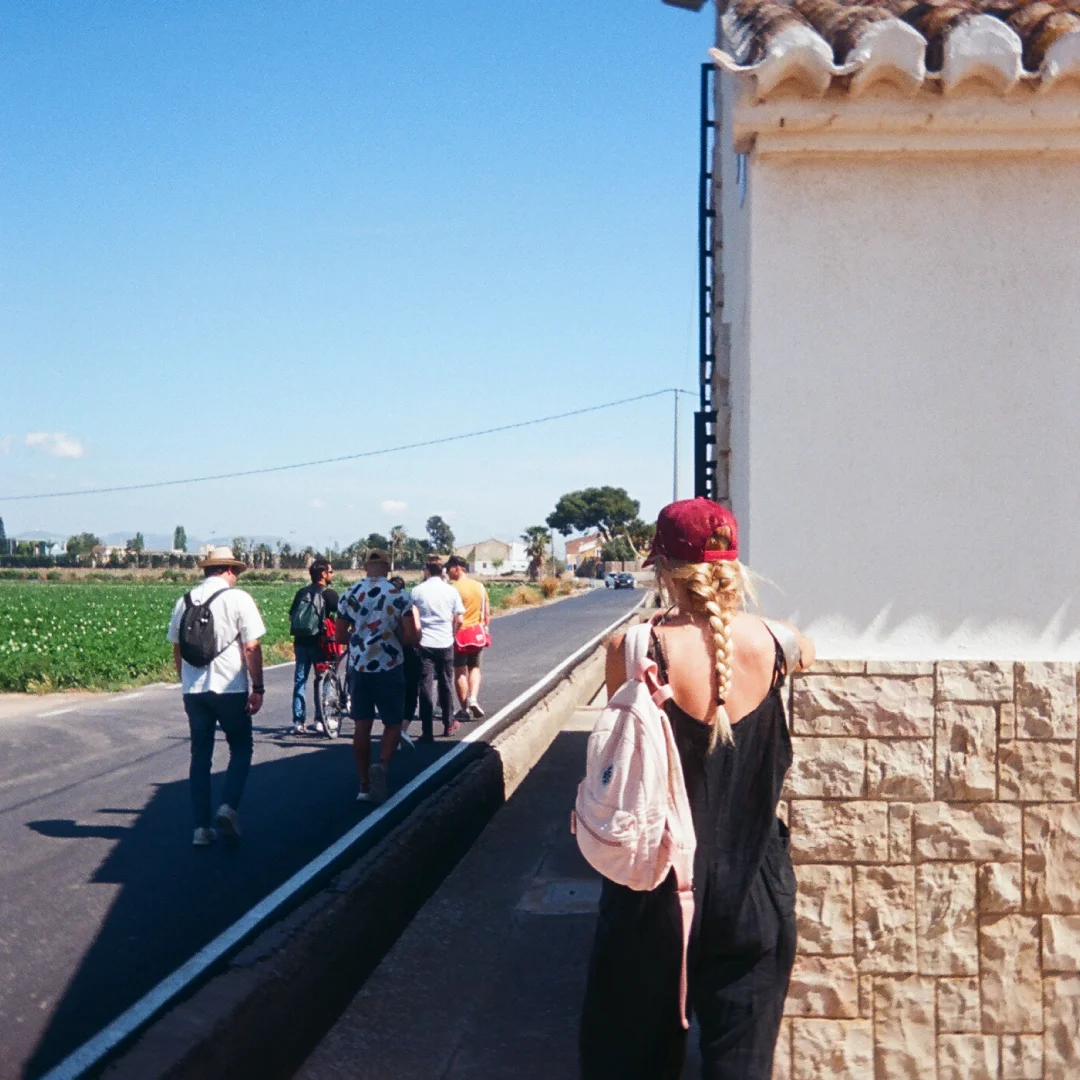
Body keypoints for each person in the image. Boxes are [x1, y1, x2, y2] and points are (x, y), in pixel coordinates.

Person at [579, 498, 815, 1080]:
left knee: (627, 1063)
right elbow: (800, 651)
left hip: (652, 897)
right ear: (735, 566)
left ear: (662, 568)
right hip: (755, 895)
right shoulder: (783, 645)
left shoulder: (633, 650)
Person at [166, 546, 267, 846]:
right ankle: (228, 806)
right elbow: (251, 646)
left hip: (194, 690)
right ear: (229, 570)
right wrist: (257, 687)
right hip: (229, 688)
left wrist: (184, 680)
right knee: (241, 748)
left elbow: (176, 648)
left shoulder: (183, 600)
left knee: (200, 756)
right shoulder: (238, 599)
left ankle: (201, 828)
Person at [336, 550, 416, 803]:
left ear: (365, 567)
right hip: (389, 665)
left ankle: (363, 784)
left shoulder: (349, 594)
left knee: (362, 724)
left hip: (359, 667)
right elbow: (410, 635)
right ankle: (381, 765)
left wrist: (360, 641)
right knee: (392, 722)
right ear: (388, 567)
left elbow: (340, 636)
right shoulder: (399, 595)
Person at [409, 556, 465, 740]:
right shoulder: (450, 591)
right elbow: (460, 618)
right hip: (445, 641)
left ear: (426, 570)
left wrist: (417, 636)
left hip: (425, 642)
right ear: (442, 571)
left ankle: (427, 730)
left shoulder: (417, 591)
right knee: (446, 683)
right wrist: (452, 633)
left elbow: (412, 617)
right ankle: (448, 723)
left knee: (425, 685)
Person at [288, 558, 339, 735]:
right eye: (331, 572)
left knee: (300, 680)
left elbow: (291, 617)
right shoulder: (329, 594)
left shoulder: (301, 592)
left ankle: (298, 722)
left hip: (300, 642)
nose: (333, 575)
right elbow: (343, 616)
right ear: (324, 574)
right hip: (320, 644)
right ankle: (320, 719)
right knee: (323, 679)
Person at [446, 554, 490, 720]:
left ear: (457, 568)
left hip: (459, 634)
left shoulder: (452, 589)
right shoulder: (479, 586)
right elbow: (486, 612)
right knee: (475, 667)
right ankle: (473, 698)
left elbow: (452, 615)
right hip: (477, 632)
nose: (448, 572)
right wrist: (484, 628)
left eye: (449, 569)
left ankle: (464, 709)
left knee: (459, 671)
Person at [391, 575, 420, 748]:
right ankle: (402, 729)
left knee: (393, 693)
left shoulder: (382, 602)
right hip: (407, 651)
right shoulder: (407, 604)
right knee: (411, 691)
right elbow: (416, 631)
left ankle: (393, 729)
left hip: (388, 654)